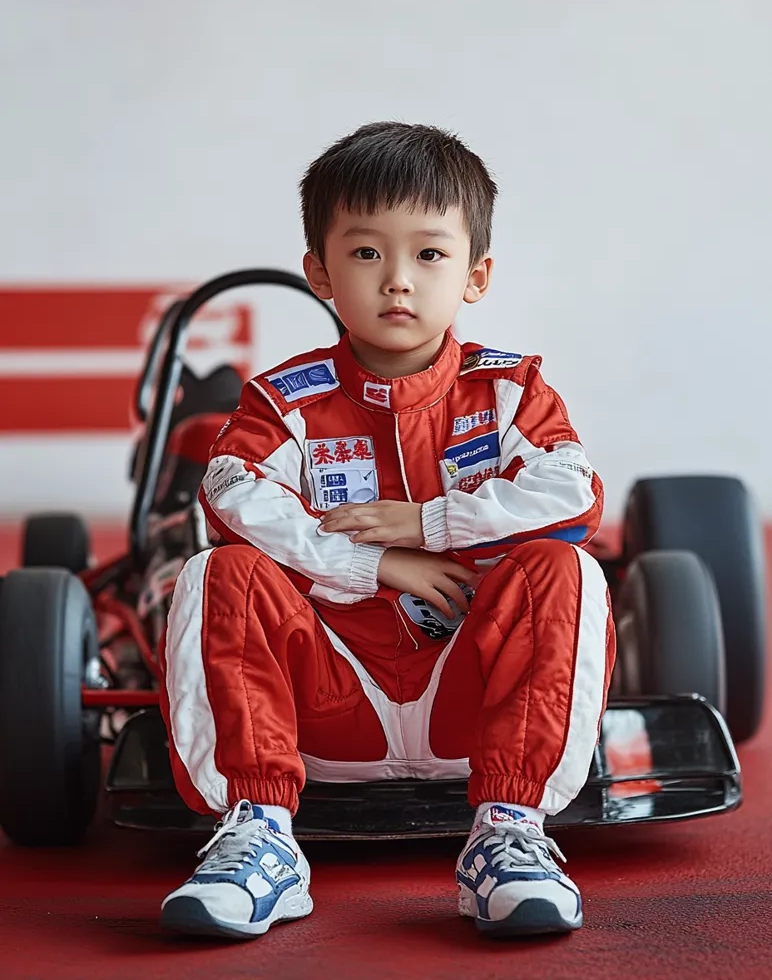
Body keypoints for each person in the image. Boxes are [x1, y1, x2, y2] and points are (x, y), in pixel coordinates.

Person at [159, 121, 616, 941]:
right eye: (367, 254)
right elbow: (233, 499)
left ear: (475, 275)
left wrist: (432, 522)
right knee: (216, 572)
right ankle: (259, 834)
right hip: (328, 710)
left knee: (563, 567)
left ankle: (511, 833)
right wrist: (375, 565)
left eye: (429, 255)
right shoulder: (284, 400)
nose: (397, 281)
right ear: (320, 271)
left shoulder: (509, 390)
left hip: (471, 711)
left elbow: (574, 495)